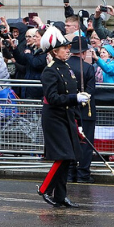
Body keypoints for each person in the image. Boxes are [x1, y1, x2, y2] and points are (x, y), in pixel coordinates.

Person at [37, 27, 89, 208]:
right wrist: (75, 98)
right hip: (54, 118)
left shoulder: (67, 68)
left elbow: (70, 96)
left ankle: (60, 196)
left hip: (67, 116)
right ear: (54, 51)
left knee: (70, 157)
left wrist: (78, 123)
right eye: (64, 48)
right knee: (64, 155)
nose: (68, 50)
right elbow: (53, 98)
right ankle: (45, 189)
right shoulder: (49, 71)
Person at [66, 36, 97, 184]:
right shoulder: (89, 68)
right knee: (86, 142)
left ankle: (70, 173)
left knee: (71, 141)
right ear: (84, 52)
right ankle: (83, 173)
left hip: (69, 109)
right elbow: (91, 91)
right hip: (85, 111)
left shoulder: (64, 67)